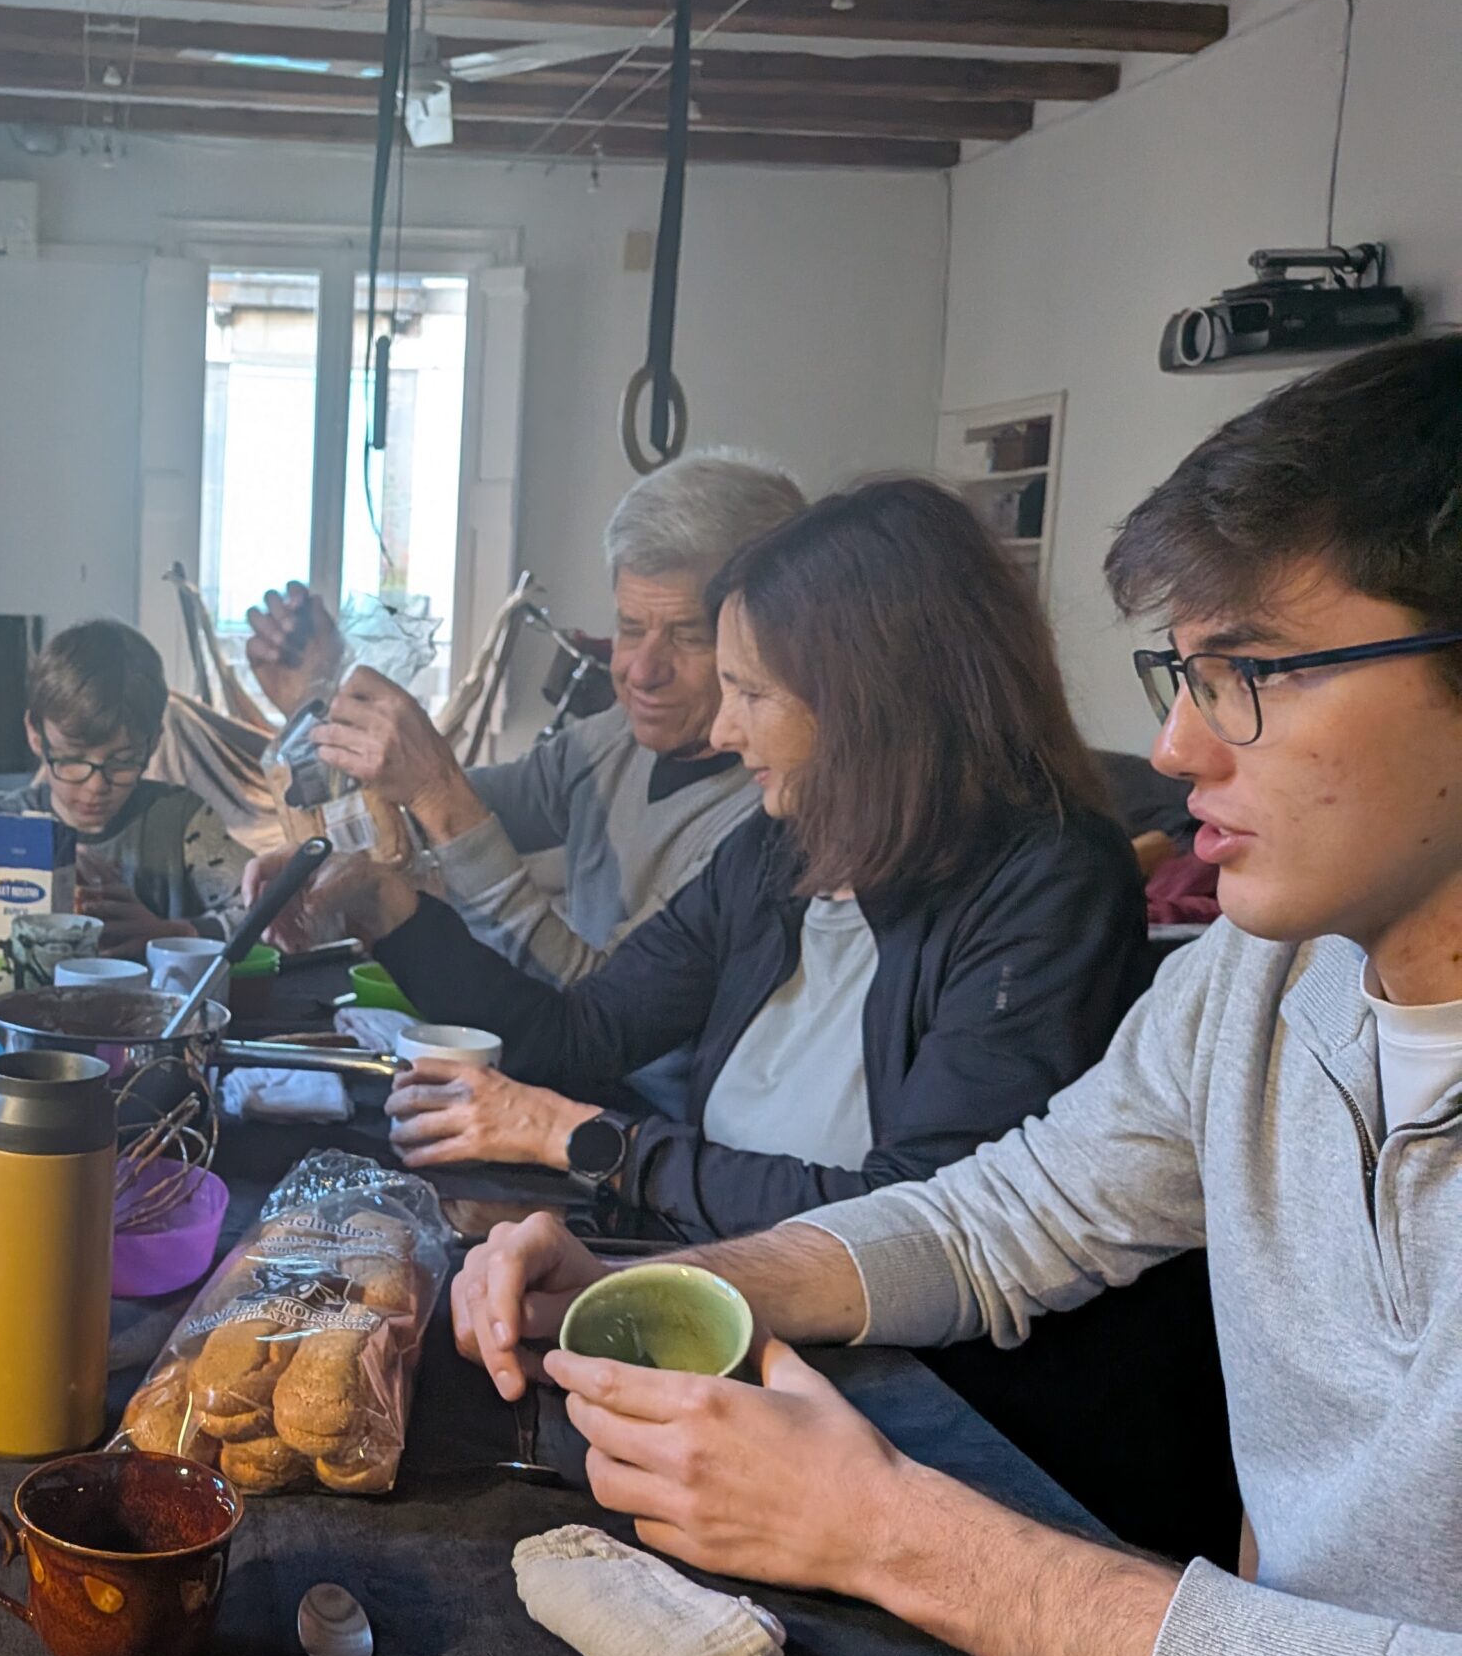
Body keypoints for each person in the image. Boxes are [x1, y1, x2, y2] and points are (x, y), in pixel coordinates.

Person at [450, 335, 1462, 1656]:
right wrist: (668, 1287)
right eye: (1180, 671)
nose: (1175, 748)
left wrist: (886, 1531)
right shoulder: (1254, 984)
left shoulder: (1056, 883)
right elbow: (994, 1218)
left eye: (1252, 671)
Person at [284, 477, 1145, 1243]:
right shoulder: (784, 848)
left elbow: (916, 1224)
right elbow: (580, 1036)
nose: (726, 731)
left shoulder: (1049, 885)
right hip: (705, 1252)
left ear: (870, 701)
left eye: (752, 692)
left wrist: (576, 1138)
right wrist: (391, 913)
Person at [258, 453, 803, 985]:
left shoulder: (763, 821)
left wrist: (439, 793)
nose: (641, 672)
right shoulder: (612, 741)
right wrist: (318, 700)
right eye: (631, 628)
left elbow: (603, 1012)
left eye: (688, 637)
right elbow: (420, 818)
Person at [0, 618, 252, 956]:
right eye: (72, 759)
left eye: (123, 761)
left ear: (154, 743)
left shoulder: (182, 822)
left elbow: (269, 915)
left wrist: (175, 934)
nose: (96, 786)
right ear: (35, 734)